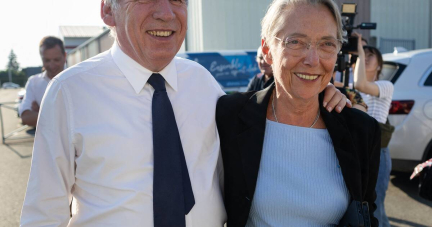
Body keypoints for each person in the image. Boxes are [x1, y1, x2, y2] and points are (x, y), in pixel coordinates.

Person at [20, 0, 350, 226]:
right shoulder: (70, 92)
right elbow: (43, 213)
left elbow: (264, 120)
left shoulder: (204, 84)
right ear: (108, 9)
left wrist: (318, 92)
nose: (166, 13)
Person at [216, 0, 381, 226]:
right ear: (267, 51)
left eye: (326, 44)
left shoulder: (360, 131)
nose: (312, 60)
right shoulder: (230, 116)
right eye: (295, 42)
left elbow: (366, 214)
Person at [353, 33, 394, 227]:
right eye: (364, 54)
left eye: (371, 55)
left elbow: (360, 84)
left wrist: (359, 51)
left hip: (378, 153)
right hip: (360, 151)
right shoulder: (355, 91)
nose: (366, 57)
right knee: (362, 205)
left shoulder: (386, 86)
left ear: (379, 65)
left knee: (376, 208)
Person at [19, 36, 66, 127]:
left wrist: (41, 112)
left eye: (56, 60)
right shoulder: (34, 82)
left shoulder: (77, 78)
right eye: (47, 60)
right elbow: (26, 117)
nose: (52, 65)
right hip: (48, 141)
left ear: (64, 56)